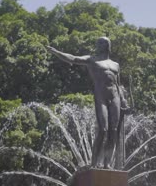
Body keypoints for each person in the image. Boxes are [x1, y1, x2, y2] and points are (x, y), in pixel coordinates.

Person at [46, 37, 128, 169]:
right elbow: (72, 58)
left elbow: (118, 84)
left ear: (108, 45)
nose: (99, 44)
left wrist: (123, 100)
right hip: (100, 96)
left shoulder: (115, 65)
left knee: (113, 131)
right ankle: (94, 163)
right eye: (98, 43)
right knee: (103, 129)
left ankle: (107, 163)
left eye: (102, 42)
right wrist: (56, 52)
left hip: (115, 98)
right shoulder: (91, 59)